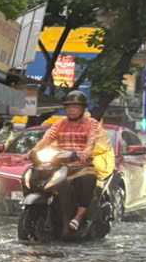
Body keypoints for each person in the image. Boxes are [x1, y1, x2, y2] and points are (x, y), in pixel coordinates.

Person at [29, 90, 106, 235]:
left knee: (88, 179)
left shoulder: (92, 124)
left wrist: (86, 152)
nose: (71, 110)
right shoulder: (59, 124)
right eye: (68, 107)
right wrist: (31, 152)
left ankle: (78, 216)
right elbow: (46, 139)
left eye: (75, 107)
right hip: (60, 164)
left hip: (82, 166)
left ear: (83, 109)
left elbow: (92, 139)